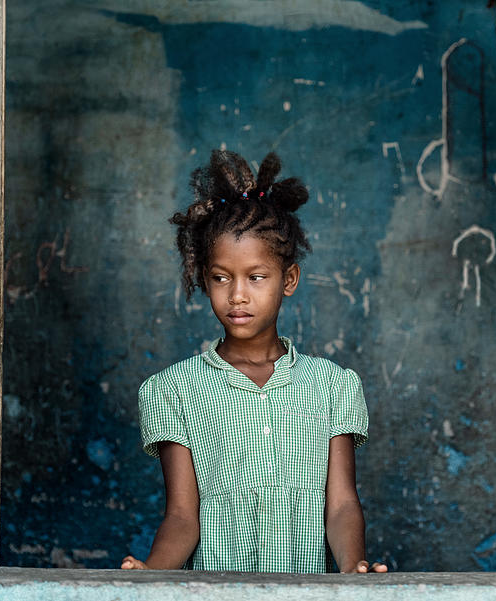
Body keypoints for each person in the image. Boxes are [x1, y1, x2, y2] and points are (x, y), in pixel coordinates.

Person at [120, 150, 386, 574]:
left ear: (290, 280)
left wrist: (355, 568)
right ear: (204, 281)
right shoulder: (172, 391)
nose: (237, 294)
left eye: (256, 277)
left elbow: (340, 506)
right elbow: (182, 518)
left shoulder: (334, 386)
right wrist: (152, 573)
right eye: (221, 277)